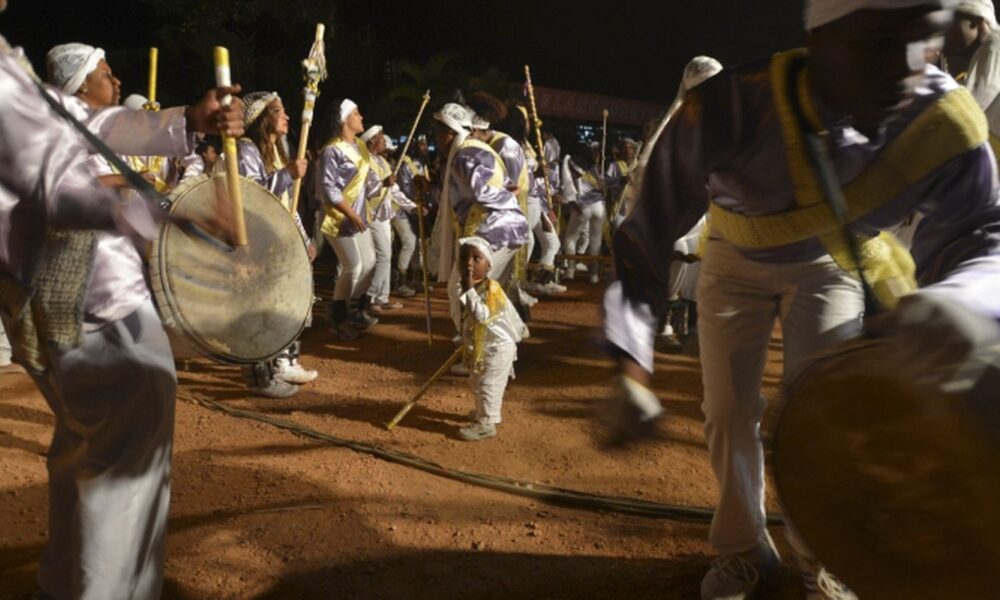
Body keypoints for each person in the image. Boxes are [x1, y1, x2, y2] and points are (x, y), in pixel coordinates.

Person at [603, 1, 1000, 598]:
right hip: (733, 259)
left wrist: (961, 300)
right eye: (879, 41)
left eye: (925, 40)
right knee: (728, 411)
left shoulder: (944, 122)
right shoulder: (730, 105)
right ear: (820, 38)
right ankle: (743, 550)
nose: (909, 66)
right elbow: (644, 233)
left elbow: (984, 236)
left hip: (831, 265)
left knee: (825, 408)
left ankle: (825, 558)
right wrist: (629, 369)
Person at [2, 24, 244, 599]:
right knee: (124, 473)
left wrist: (188, 121)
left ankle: (65, 583)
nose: (116, 81)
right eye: (105, 74)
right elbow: (55, 188)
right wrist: (165, 213)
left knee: (90, 446)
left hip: (67, 293)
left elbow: (76, 122)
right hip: (90, 298)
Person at [234, 90, 318, 396]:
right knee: (260, 307)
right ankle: (260, 375)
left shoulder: (278, 150)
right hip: (256, 241)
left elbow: (287, 204)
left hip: (281, 238)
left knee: (287, 301)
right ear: (262, 118)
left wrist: (304, 239)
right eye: (279, 111)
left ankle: (283, 361)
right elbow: (250, 196)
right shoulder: (246, 150)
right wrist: (287, 174)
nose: (287, 117)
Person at [433, 102, 529, 343]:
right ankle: (502, 339)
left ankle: (477, 350)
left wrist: (506, 195)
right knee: (484, 289)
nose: (435, 138)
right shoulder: (474, 149)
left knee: (464, 289)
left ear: (451, 131)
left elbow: (482, 192)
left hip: (493, 230)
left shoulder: (465, 153)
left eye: (438, 132)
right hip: (502, 230)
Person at [316, 98, 382, 341]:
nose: (361, 117)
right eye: (356, 113)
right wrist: (352, 214)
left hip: (357, 216)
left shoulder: (361, 148)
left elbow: (366, 184)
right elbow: (328, 188)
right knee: (352, 266)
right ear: (345, 120)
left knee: (370, 262)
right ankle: (338, 316)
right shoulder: (332, 150)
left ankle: (356, 308)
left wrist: (384, 184)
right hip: (337, 217)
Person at [456, 236, 528, 441]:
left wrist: (469, 290)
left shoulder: (491, 290)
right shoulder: (472, 286)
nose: (469, 263)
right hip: (484, 345)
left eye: (476, 258)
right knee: (477, 381)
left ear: (488, 266)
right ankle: (483, 414)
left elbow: (482, 316)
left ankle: (487, 423)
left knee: (489, 384)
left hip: (498, 348)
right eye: (465, 259)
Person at [361, 124, 410, 313]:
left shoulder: (382, 162)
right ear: (373, 140)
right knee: (382, 256)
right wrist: (382, 183)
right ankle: (372, 297)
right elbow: (364, 189)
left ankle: (381, 296)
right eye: (381, 137)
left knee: (385, 256)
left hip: (384, 215)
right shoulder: (364, 162)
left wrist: (412, 207)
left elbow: (393, 190)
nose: (384, 140)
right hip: (371, 214)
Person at [943, 0, 1000, 134]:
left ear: (977, 21)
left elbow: (969, 108)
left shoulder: (995, 45)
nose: (942, 33)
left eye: (949, 24)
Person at [561, 141, 606, 283]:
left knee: (570, 238)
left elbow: (568, 183)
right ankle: (594, 276)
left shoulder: (570, 161)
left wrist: (573, 202)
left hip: (583, 205)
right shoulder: (594, 167)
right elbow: (602, 186)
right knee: (596, 241)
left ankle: (570, 271)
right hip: (599, 205)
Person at [395, 134, 432, 297]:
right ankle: (401, 281)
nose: (424, 148)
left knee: (419, 244)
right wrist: (415, 207)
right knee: (409, 242)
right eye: (421, 144)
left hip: (418, 208)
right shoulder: (405, 164)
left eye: (426, 144)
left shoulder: (422, 163)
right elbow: (404, 190)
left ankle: (417, 278)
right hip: (404, 209)